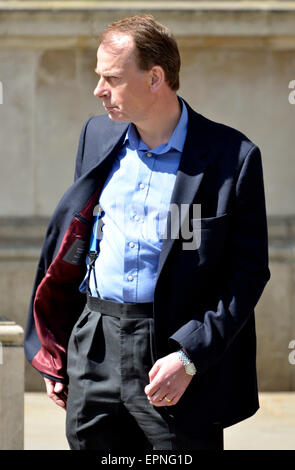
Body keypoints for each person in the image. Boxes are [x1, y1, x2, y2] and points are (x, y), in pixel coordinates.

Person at [24, 14, 270, 451]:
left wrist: (190, 357)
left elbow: (247, 274)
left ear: (156, 77)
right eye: (99, 77)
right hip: (94, 343)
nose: (98, 90)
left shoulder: (233, 157)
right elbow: (74, 240)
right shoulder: (97, 135)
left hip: (171, 356)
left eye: (112, 78)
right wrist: (61, 349)